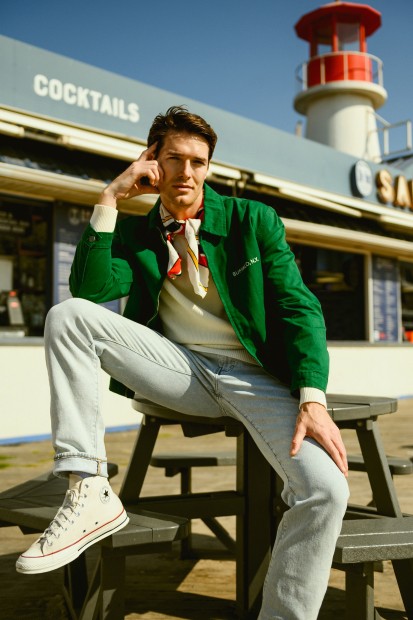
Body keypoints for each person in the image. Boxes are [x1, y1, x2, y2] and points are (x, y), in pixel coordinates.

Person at [17, 106, 349, 619]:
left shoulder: (250, 219)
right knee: (69, 316)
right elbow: (89, 291)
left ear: (209, 167)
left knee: (327, 491)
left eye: (199, 162)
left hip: (256, 378)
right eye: (174, 159)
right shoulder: (137, 233)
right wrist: (110, 198)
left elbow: (297, 306)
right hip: (181, 370)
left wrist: (312, 397)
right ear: (153, 161)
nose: (187, 172)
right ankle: (88, 487)